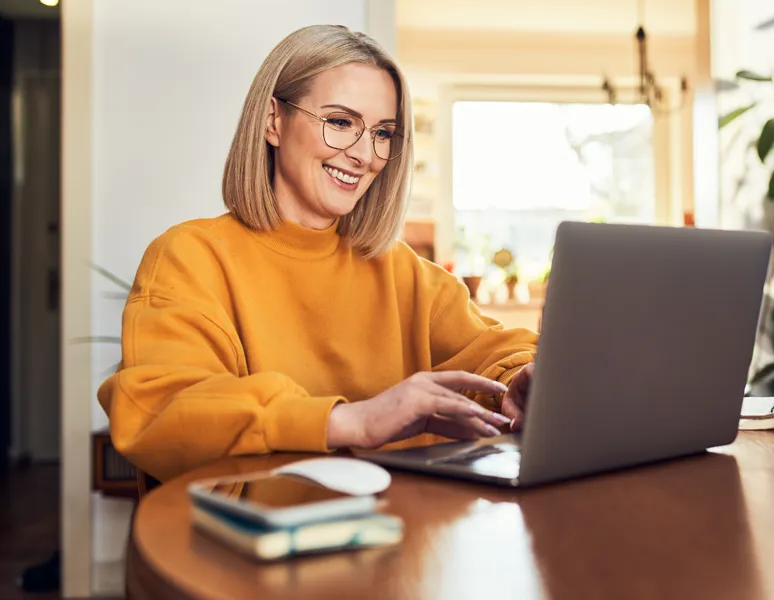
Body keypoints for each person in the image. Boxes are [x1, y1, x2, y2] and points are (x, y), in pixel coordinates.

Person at [97, 25, 538, 483]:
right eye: (341, 122)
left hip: (395, 538)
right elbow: (159, 411)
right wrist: (350, 421)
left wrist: (521, 379)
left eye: (383, 133)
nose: (365, 155)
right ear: (273, 121)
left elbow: (497, 350)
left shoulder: (402, 271)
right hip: (255, 545)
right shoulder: (190, 258)